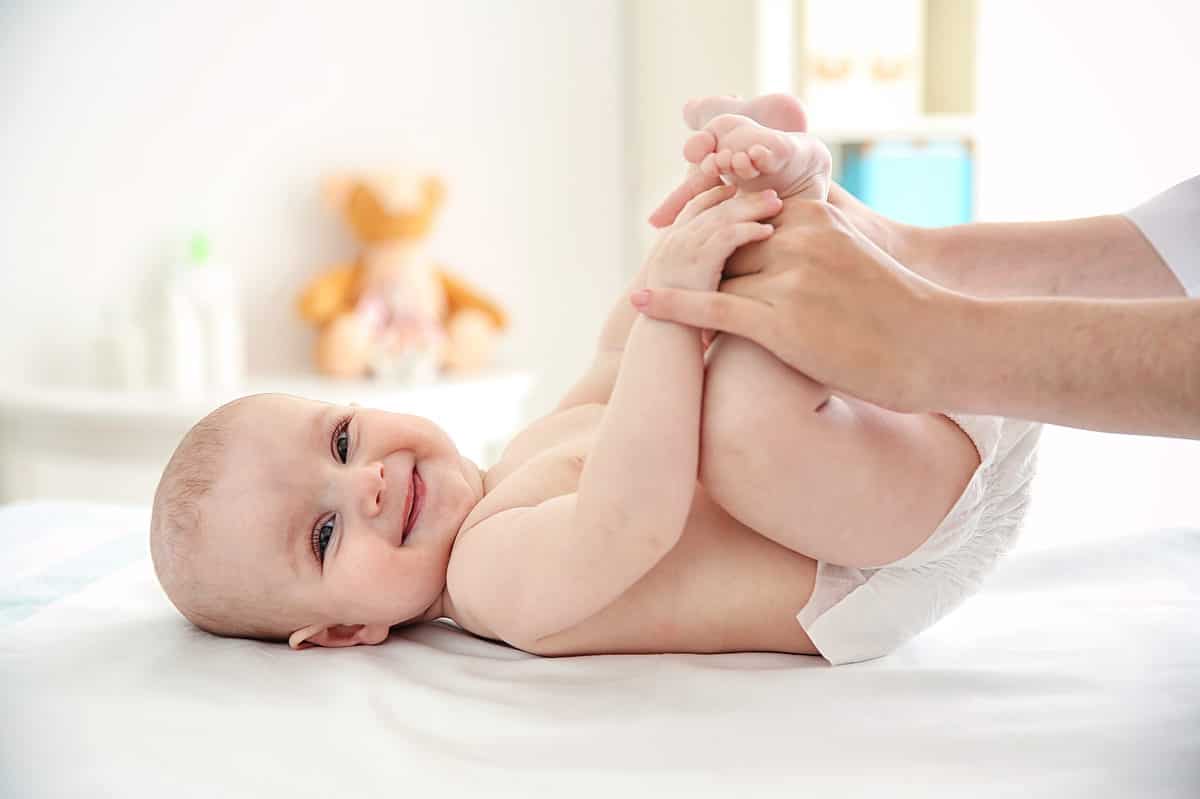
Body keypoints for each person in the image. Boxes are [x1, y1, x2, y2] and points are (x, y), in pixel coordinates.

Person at [150, 100, 1038, 666]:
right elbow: (632, 514)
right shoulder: (491, 579)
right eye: (325, 530)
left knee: (743, 299)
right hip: (873, 560)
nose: (367, 480)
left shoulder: (517, 460)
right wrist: (680, 298)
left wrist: (690, 232)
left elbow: (621, 356)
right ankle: (800, 206)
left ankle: (782, 186)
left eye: (342, 441)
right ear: (345, 630)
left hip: (891, 451)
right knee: (733, 383)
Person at [641, 95, 1200, 440]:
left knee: (739, 410)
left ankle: (802, 202)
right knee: (736, 397)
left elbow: (628, 522)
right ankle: (820, 209)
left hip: (952, 407)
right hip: (951, 412)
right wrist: (903, 257)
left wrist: (933, 340)